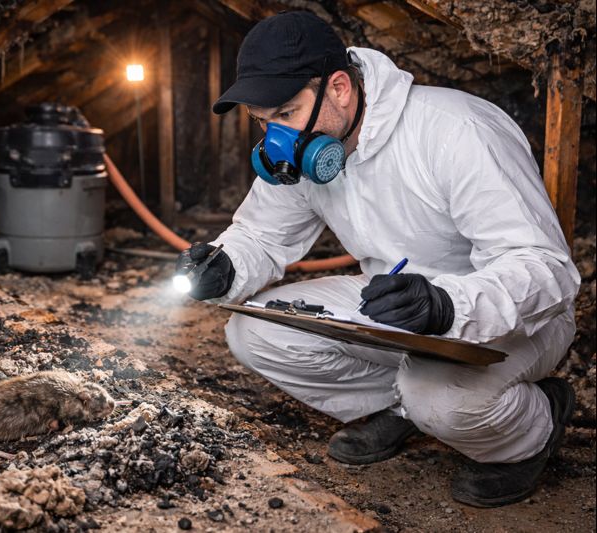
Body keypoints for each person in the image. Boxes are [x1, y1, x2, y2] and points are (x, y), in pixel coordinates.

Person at [175, 11, 580, 507]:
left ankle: (531, 432)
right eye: (262, 120)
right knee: (255, 331)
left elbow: (545, 266)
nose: (274, 135)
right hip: (395, 308)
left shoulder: (455, 130)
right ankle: (405, 408)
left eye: (284, 112)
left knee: (445, 401)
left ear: (340, 88)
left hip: (515, 315)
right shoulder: (308, 152)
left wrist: (448, 305)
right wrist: (225, 266)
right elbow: (261, 234)